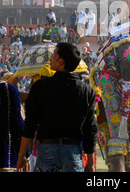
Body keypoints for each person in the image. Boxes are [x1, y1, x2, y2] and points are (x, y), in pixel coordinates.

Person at [16, 42, 98, 172]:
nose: (51, 57)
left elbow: (30, 125)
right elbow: (90, 128)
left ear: (61, 61)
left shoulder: (41, 87)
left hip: (47, 150)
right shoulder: (86, 91)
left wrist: (21, 156)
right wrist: (91, 163)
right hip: (73, 153)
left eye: (54, 54)